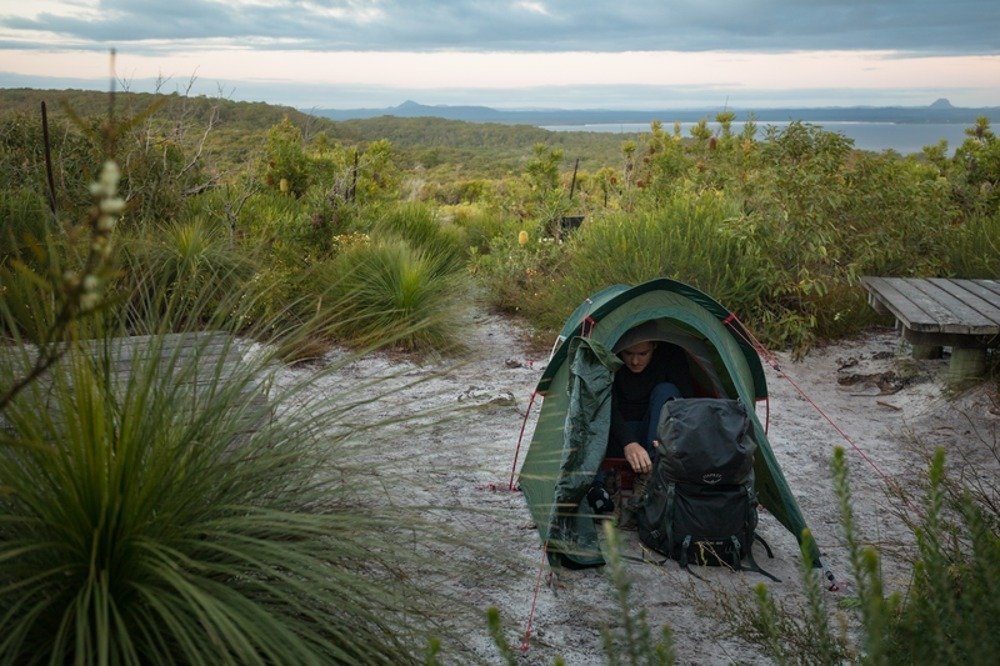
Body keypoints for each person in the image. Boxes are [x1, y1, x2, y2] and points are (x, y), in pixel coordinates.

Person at [587, 323, 694, 515]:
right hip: (615, 433)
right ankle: (599, 488)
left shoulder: (671, 356)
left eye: (642, 354)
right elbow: (605, 408)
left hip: (652, 436)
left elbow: (687, 404)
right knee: (593, 412)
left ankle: (648, 480)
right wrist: (629, 442)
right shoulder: (609, 360)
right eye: (628, 354)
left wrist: (665, 436)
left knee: (667, 391)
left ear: (655, 346)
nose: (635, 361)